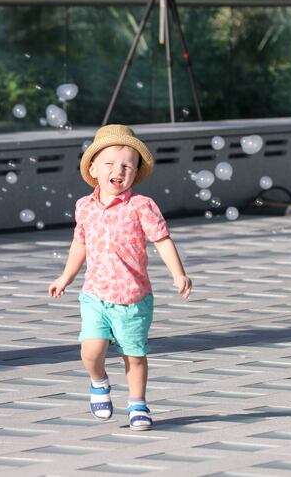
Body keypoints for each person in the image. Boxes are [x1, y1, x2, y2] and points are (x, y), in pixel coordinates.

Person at [48, 124, 192, 431]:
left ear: (136, 173)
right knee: (91, 349)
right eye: (111, 164)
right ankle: (98, 381)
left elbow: (162, 240)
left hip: (133, 298)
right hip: (95, 295)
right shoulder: (84, 207)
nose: (119, 170)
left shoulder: (142, 206)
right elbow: (80, 244)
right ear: (93, 168)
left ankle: (137, 403)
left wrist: (178, 273)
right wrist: (65, 277)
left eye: (128, 165)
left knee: (134, 356)